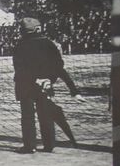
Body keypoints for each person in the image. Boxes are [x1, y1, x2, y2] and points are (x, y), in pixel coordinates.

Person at [13, 17, 75, 154]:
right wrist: (49, 79)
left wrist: (34, 79)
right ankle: (49, 144)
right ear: (38, 28)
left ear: (22, 31)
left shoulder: (20, 45)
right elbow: (58, 65)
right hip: (45, 84)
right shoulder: (48, 43)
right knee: (46, 114)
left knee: (27, 116)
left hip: (25, 84)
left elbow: (19, 67)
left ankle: (30, 146)